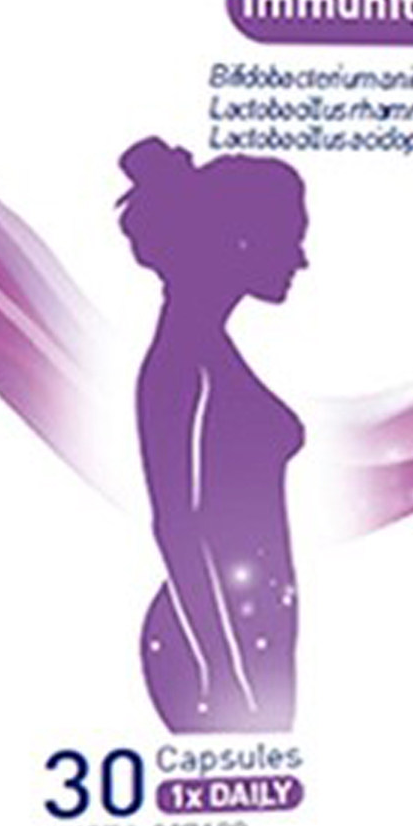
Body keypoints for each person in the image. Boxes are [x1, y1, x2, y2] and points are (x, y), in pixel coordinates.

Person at [116, 138, 308, 732]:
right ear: (241, 242)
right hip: (214, 648)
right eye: (291, 237)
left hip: (248, 633)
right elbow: (176, 525)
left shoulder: (206, 351)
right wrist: (224, 675)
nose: (301, 260)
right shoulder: (180, 365)